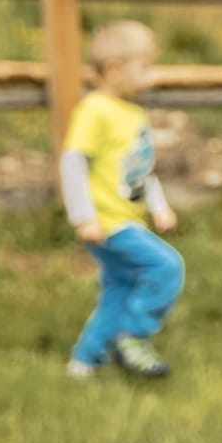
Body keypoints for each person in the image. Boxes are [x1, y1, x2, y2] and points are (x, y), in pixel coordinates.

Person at [61, 20, 184, 379]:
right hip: (108, 222)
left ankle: (84, 361)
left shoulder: (133, 114)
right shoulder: (95, 110)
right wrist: (83, 216)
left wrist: (158, 206)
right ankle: (132, 336)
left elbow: (141, 168)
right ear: (114, 69)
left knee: (120, 288)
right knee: (166, 267)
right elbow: (72, 162)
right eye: (145, 67)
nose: (152, 77)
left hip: (127, 219)